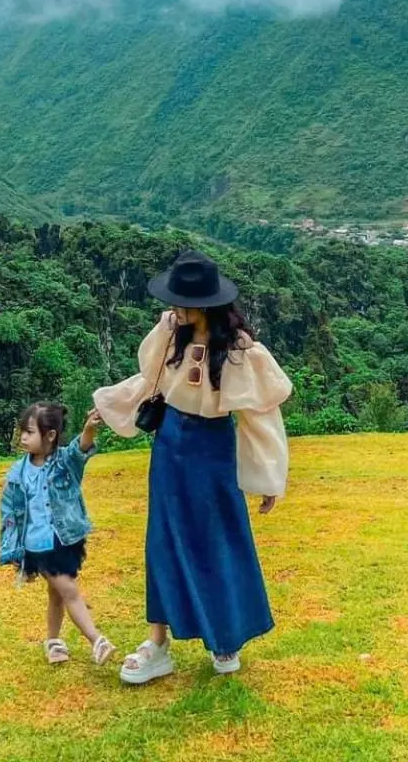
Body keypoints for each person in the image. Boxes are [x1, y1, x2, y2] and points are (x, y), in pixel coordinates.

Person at [93, 250, 292, 684]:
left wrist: (269, 476)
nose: (175, 309)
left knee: (218, 540)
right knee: (162, 539)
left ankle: (226, 640)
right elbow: (150, 383)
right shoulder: (170, 331)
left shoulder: (238, 351)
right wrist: (110, 407)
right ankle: (157, 643)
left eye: (183, 303)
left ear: (205, 305)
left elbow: (259, 417)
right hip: (170, 446)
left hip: (211, 450)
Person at [0, 400, 116, 666]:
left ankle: (53, 642)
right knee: (69, 591)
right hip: (38, 545)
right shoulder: (18, 473)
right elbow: (9, 514)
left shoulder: (65, 463)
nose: (23, 437)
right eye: (23, 431)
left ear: (50, 435)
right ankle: (96, 639)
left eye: (30, 432)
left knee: (57, 594)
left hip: (65, 539)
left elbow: (81, 448)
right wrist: (12, 549)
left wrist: (89, 428)